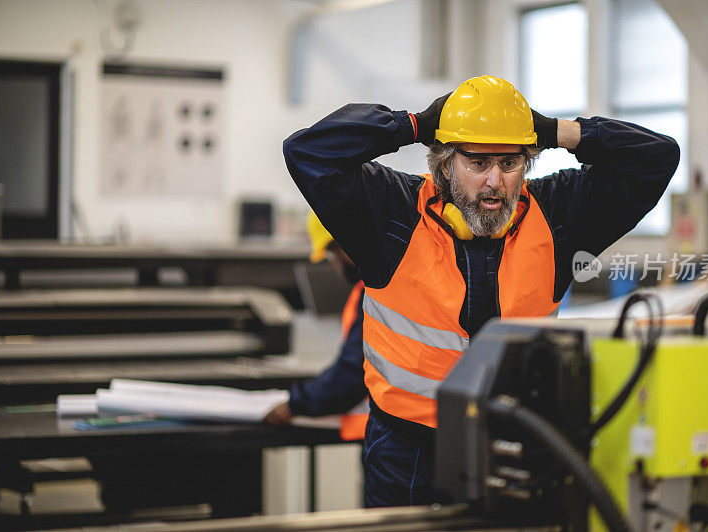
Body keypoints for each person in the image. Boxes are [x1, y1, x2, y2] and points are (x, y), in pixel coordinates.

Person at [283, 75, 680, 507]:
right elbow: (308, 151)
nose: (495, 182)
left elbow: (657, 158)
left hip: (516, 444)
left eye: (510, 163)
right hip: (407, 455)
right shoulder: (389, 212)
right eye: (477, 162)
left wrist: (557, 132)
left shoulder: (560, 215)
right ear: (445, 162)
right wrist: (411, 124)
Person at [263, 212, 367, 435]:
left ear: (346, 245)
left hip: (399, 445)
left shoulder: (376, 293)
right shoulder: (382, 285)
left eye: (331, 256)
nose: (334, 267)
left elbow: (353, 374)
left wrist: (295, 405)